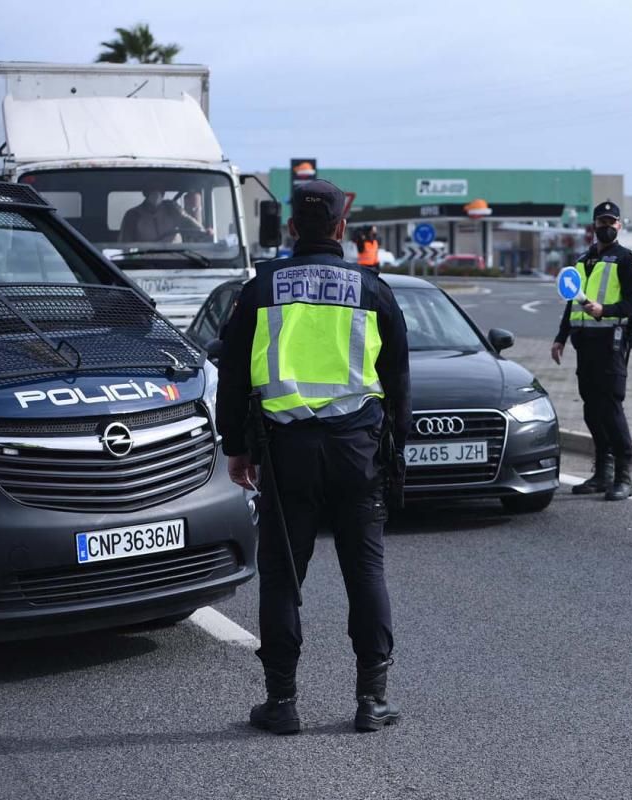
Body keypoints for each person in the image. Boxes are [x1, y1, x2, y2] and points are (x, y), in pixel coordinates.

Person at [215, 179, 411, 734]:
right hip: (358, 451)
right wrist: (397, 447)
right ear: (342, 229)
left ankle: (282, 704)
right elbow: (397, 376)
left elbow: (231, 375)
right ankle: (372, 700)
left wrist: (236, 447)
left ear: (293, 228)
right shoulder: (372, 288)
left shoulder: (260, 288)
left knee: (281, 576)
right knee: (365, 572)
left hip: (286, 453)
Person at [551, 200, 632, 501]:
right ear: (593, 226)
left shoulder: (627, 261)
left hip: (612, 344)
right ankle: (602, 474)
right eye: (601, 222)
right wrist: (560, 338)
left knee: (611, 406)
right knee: (591, 408)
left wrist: (604, 310)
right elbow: (572, 302)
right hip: (585, 346)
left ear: (619, 225)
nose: (606, 227)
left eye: (611, 222)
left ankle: (623, 476)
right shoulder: (582, 261)